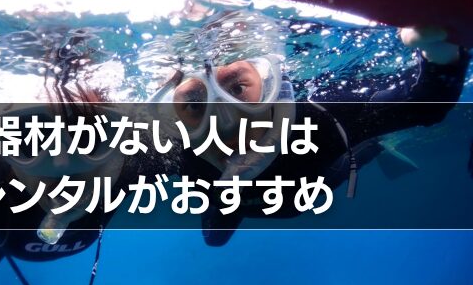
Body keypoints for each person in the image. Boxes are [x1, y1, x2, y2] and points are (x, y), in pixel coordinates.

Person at [153, 26, 470, 245]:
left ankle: (374, 146)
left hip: (302, 195)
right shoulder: (169, 145)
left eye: (237, 88)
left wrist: (437, 47)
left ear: (272, 83)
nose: (226, 123)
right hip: (228, 204)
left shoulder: (321, 118)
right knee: (213, 240)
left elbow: (422, 106)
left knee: (348, 159)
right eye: (195, 105)